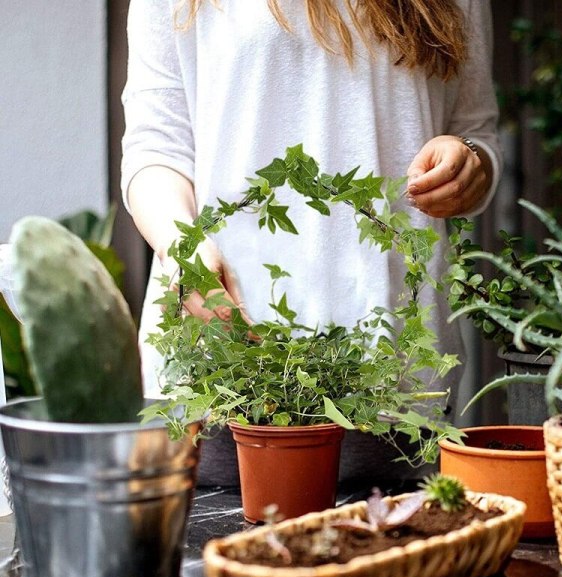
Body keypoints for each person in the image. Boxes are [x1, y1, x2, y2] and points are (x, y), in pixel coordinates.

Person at [121, 0, 502, 485]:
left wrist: (469, 164)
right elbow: (155, 148)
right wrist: (184, 252)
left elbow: (475, 130)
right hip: (221, 361)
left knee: (385, 554)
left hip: (392, 377)